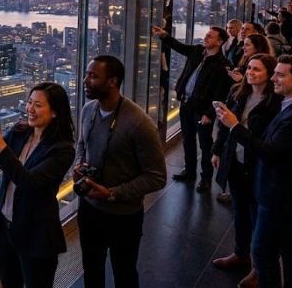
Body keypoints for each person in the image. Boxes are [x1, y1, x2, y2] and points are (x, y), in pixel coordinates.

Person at [0, 82, 75, 287]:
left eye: (38, 105)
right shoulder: (21, 132)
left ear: (55, 112)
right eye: (29, 103)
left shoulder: (62, 150)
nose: (29, 109)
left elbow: (29, 182)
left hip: (36, 233)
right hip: (5, 228)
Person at [75, 55, 166, 288]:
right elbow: (82, 144)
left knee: (124, 272)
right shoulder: (88, 110)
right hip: (89, 209)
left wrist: (112, 193)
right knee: (91, 267)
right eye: (87, 74)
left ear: (113, 82)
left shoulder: (139, 123)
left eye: (93, 76)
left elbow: (157, 177)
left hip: (123, 216)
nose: (86, 80)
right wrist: (79, 164)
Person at [216, 54, 292, 288]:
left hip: (265, 180)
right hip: (240, 166)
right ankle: (242, 254)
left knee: (262, 239)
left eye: (257, 69)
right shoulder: (241, 93)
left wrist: (235, 126)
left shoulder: (276, 104)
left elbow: (271, 150)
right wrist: (218, 149)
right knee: (241, 212)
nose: (250, 72)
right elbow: (224, 126)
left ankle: (259, 272)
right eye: (248, 68)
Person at [152, 25, 232, 191]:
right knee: (188, 140)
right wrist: (164, 35)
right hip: (186, 104)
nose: (206, 38)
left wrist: (210, 114)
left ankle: (206, 178)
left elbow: (221, 93)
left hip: (202, 110)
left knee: (205, 144)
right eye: (207, 35)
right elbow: (180, 47)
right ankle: (189, 171)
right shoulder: (197, 51)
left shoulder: (222, 65)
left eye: (210, 36)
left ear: (220, 42)